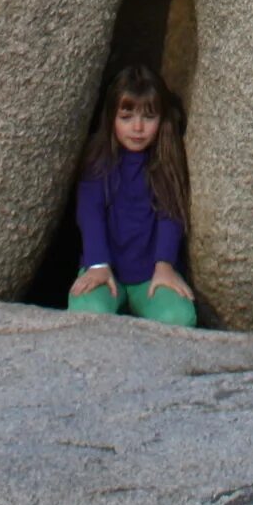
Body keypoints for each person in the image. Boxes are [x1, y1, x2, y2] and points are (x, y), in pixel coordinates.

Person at [65, 60, 196, 326]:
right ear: (111, 117)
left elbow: (171, 215)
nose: (137, 128)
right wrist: (98, 264)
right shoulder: (98, 161)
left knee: (179, 317)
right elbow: (90, 214)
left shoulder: (165, 162)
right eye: (126, 118)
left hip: (152, 273)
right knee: (88, 312)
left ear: (161, 119)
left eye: (148, 117)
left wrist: (165, 265)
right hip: (102, 266)